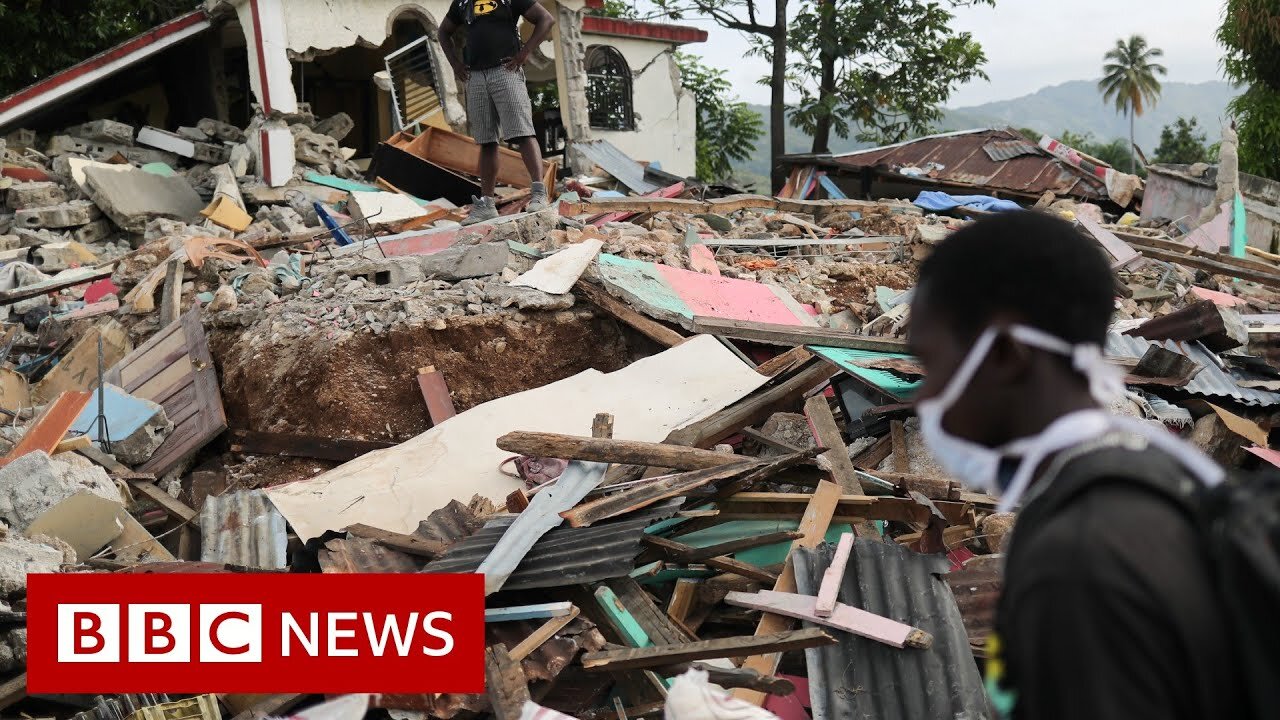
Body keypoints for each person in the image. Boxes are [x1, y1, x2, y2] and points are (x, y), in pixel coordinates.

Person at [907, 211, 1243, 720]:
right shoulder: (1158, 474)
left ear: (1005, 354)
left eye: (932, 364)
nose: (926, 395)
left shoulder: (1079, 557)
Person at [439, 0, 555, 225]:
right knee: (487, 141)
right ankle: (487, 205)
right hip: (475, 77)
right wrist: (455, 64)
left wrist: (524, 53)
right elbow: (443, 32)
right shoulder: (462, 2)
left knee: (522, 132)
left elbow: (546, 19)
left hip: (506, 71)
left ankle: (539, 195)